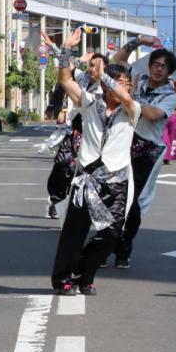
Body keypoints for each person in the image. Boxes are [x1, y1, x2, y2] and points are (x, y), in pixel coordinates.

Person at [49, 50, 140, 297]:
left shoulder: (133, 109)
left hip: (115, 181)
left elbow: (125, 98)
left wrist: (104, 76)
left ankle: (83, 272)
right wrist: (65, 53)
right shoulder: (90, 102)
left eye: (127, 84)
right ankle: (63, 280)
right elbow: (65, 80)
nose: (124, 88)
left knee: (112, 234)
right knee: (73, 233)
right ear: (105, 86)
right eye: (120, 83)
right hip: (87, 178)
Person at [111, 38, 176, 269]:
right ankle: (109, 242)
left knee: (134, 203)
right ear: (149, 66)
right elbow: (118, 60)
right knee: (114, 196)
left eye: (164, 66)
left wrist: (129, 95)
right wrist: (138, 41)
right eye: (156, 64)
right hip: (122, 143)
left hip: (147, 151)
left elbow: (151, 114)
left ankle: (124, 247)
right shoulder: (136, 80)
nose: (159, 69)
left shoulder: (170, 96)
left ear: (169, 72)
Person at [45, 51, 107, 220]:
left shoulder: (109, 88)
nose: (92, 69)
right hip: (77, 133)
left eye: (97, 66)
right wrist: (63, 49)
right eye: (91, 65)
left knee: (91, 175)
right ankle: (57, 201)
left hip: (97, 137)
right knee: (62, 165)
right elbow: (67, 69)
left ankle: (94, 212)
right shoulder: (84, 78)